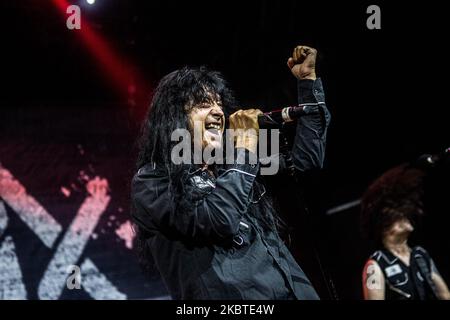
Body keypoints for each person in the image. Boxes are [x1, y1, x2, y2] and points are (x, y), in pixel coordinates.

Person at [131, 45, 331, 299]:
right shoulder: (153, 180)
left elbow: (306, 162)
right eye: (204, 103)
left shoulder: (229, 163)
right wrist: (246, 146)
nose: (218, 111)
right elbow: (219, 220)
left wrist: (307, 83)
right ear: (175, 118)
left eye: (219, 103)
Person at [361, 164, 450, 300]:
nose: (407, 215)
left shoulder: (421, 255)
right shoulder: (375, 265)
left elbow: (445, 295)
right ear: (385, 222)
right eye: (400, 213)